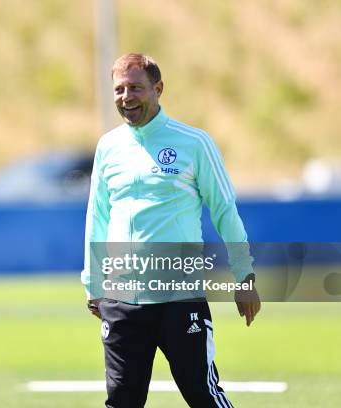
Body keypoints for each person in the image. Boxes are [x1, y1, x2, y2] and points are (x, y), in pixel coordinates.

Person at [82, 53, 261, 407]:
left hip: (177, 295)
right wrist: (93, 283)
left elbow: (225, 210)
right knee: (121, 401)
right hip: (122, 299)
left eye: (135, 87)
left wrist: (245, 276)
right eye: (119, 89)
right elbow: (97, 216)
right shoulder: (108, 147)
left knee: (202, 394)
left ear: (158, 88)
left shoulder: (194, 143)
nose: (126, 97)